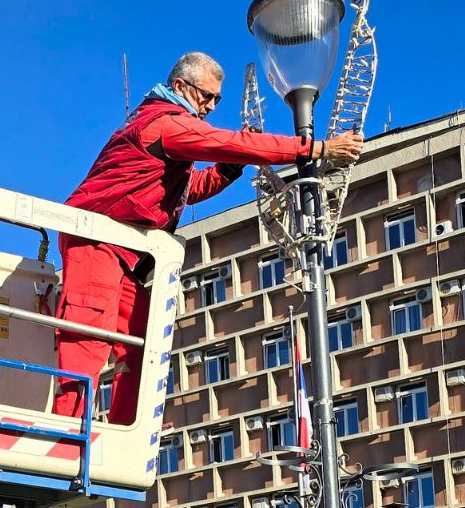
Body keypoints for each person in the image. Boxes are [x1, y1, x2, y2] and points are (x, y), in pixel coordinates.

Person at [53, 51, 363, 423]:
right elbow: (227, 142)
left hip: (120, 251)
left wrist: (231, 168)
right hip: (97, 242)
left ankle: (120, 436)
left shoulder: (163, 128)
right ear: (180, 86)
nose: (213, 106)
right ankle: (66, 438)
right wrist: (316, 149)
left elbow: (187, 188)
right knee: (88, 338)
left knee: (141, 342)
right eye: (207, 96)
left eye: (217, 99)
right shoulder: (165, 124)